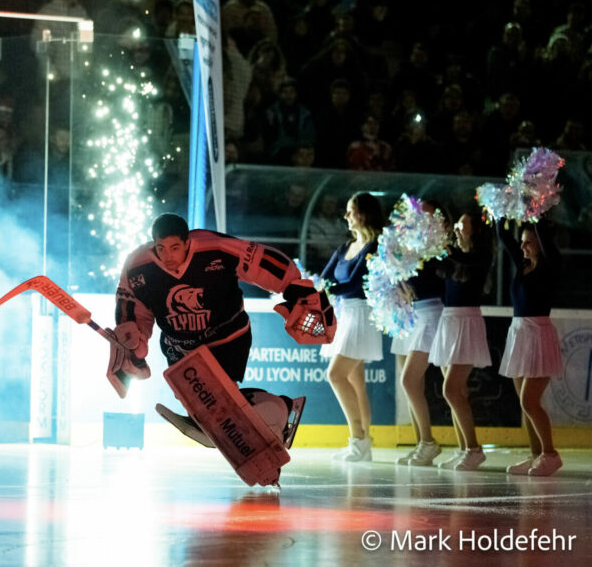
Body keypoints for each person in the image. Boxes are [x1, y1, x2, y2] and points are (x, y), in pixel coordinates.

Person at [110, 213, 334, 449]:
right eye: (161, 248)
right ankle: (277, 408)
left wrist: (292, 286)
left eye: (175, 248)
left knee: (217, 397)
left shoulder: (214, 246)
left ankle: (279, 409)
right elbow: (133, 311)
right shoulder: (137, 267)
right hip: (179, 346)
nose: (168, 256)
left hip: (228, 338)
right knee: (201, 403)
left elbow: (261, 259)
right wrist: (135, 340)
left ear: (187, 242)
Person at [322, 192, 385, 462]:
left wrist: (325, 288)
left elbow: (355, 283)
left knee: (335, 375)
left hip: (360, 315)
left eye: (351, 211)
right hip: (344, 315)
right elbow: (324, 277)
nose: (346, 216)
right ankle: (361, 445)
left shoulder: (374, 246)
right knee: (356, 383)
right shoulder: (345, 247)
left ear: (364, 213)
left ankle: (358, 440)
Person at [497, 218, 563, 476]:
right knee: (524, 403)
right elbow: (504, 237)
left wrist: (537, 214)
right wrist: (499, 210)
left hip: (538, 335)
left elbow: (544, 235)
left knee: (529, 400)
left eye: (528, 242)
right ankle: (537, 455)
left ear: (540, 243)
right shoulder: (521, 264)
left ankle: (550, 454)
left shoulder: (549, 266)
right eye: (522, 242)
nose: (523, 246)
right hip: (519, 335)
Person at [429, 210, 493, 471]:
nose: (457, 226)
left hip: (467, 323)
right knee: (457, 391)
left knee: (451, 390)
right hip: (449, 321)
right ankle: (464, 448)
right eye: (457, 221)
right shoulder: (452, 260)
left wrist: (440, 244)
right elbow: (436, 267)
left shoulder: (481, 256)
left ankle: (474, 449)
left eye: (462, 223)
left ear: (475, 229)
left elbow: (465, 259)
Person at [392, 200, 447, 466]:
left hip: (434, 314)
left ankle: (428, 442)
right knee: (414, 383)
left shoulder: (439, 248)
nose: (418, 218)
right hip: (414, 315)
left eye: (425, 214)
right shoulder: (413, 247)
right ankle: (421, 444)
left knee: (409, 380)